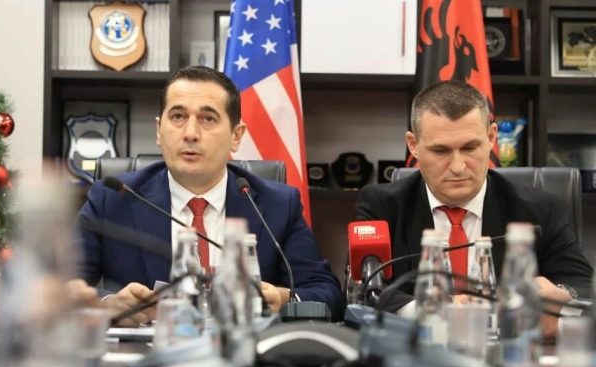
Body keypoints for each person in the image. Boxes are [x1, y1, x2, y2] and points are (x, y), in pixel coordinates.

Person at [77, 66, 342, 326]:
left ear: (236, 136)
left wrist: (284, 299)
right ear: (159, 130)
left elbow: (327, 293)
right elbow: (63, 287)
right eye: (178, 116)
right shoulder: (113, 199)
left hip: (243, 350)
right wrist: (107, 305)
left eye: (208, 119)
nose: (190, 134)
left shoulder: (277, 205)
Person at [355, 80, 593, 338]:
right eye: (440, 151)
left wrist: (562, 296)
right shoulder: (382, 206)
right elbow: (365, 291)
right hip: (418, 350)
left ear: (491, 138)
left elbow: (582, 285)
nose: (458, 166)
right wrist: (435, 311)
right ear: (414, 145)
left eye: (470, 148)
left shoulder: (540, 210)